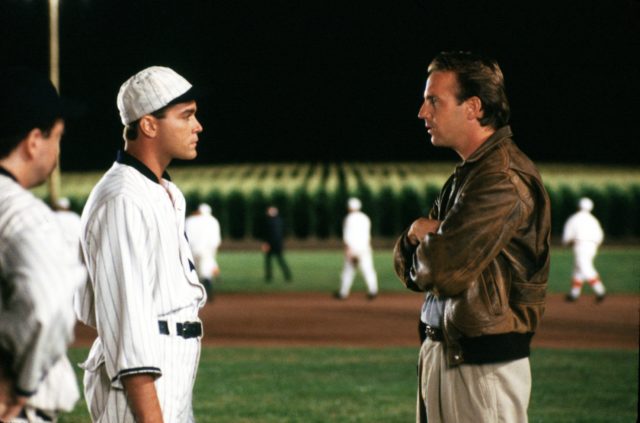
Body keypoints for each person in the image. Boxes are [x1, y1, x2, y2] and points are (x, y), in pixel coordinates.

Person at [393, 51, 551, 423]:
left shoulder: (501, 177)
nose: (422, 112)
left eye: (434, 101)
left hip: (481, 366)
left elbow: (443, 272)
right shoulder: (470, 174)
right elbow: (407, 263)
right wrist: (420, 233)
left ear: (474, 107)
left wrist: (426, 235)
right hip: (447, 354)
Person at [74, 66, 206, 422]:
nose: (198, 126)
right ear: (148, 125)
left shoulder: (162, 191)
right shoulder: (122, 198)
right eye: (186, 116)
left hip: (169, 370)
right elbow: (128, 323)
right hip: (140, 382)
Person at [0, 68, 80, 422]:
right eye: (57, 137)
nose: (56, 149)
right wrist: (22, 389)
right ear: (34, 141)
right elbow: (46, 310)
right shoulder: (23, 213)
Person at [562, 197, 606, 302]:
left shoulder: (574, 218)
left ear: (578, 206)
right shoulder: (593, 219)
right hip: (593, 246)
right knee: (578, 269)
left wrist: (566, 242)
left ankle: (600, 291)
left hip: (580, 245)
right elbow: (600, 235)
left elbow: (567, 236)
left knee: (585, 267)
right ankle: (574, 293)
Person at [335, 197, 378, 300]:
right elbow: (368, 235)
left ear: (349, 207)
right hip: (364, 248)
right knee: (368, 269)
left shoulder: (348, 219)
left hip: (352, 248)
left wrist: (347, 250)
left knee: (348, 271)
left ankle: (343, 293)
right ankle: (373, 290)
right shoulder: (365, 218)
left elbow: (346, 236)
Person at [185, 203, 222, 302]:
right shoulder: (213, 221)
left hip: (191, 250)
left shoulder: (189, 220)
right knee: (206, 274)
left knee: (191, 274)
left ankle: (192, 297)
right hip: (206, 251)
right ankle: (208, 296)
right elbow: (216, 241)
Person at [261, 206, 292, 282]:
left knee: (271, 261)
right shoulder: (280, 221)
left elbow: (267, 234)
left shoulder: (269, 221)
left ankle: (269, 277)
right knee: (275, 261)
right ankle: (286, 276)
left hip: (273, 244)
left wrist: (266, 244)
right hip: (277, 244)